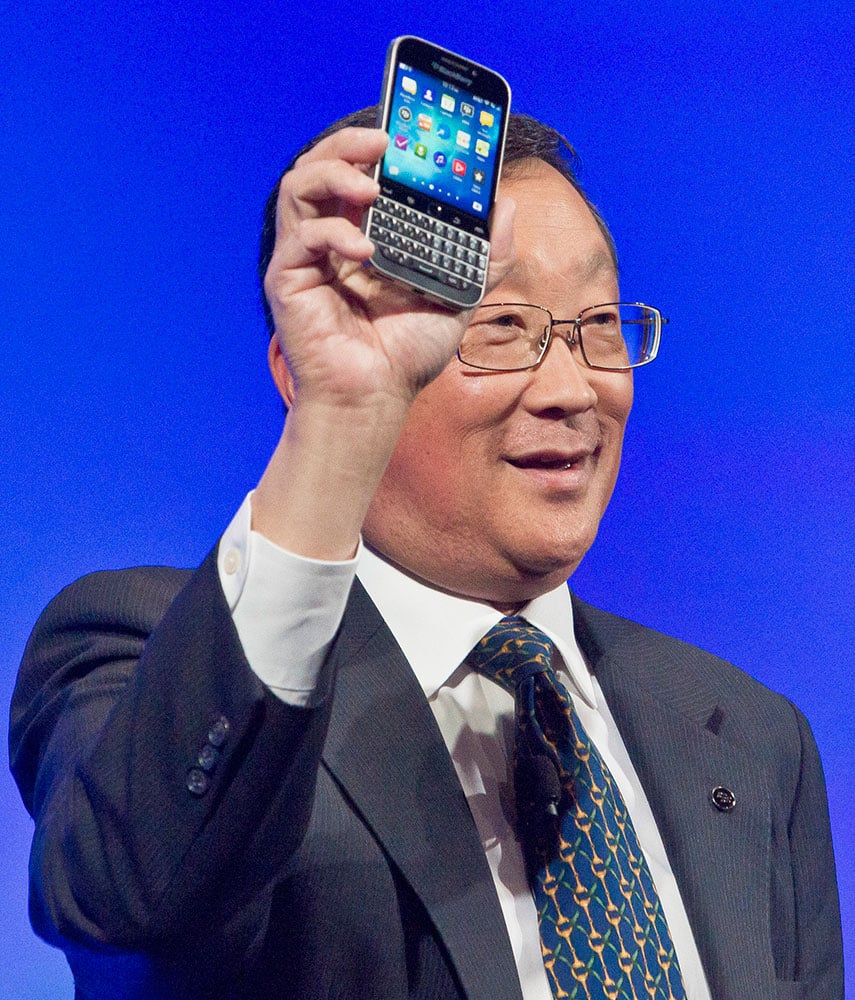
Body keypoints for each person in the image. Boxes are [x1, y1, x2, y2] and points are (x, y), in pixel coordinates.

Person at [10, 107, 843, 1000]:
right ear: (301, 373)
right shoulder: (144, 651)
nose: (570, 389)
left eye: (597, 323)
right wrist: (341, 421)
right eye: (494, 325)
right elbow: (132, 905)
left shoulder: (750, 736)